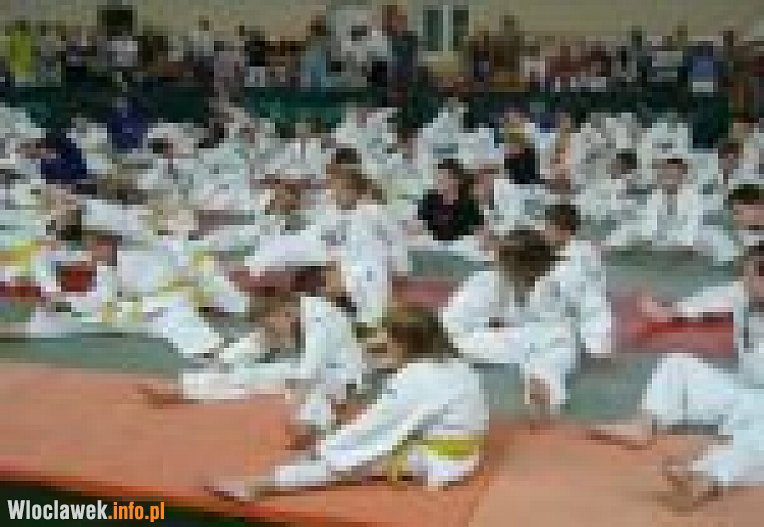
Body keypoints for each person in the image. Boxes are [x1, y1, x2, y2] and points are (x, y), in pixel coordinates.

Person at [204, 305, 488, 500]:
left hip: (438, 457)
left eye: (388, 338)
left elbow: (373, 427)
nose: (383, 343)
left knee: (352, 462)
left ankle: (261, 486)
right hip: (458, 444)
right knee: (350, 442)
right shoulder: (455, 363)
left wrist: (323, 449)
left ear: (407, 342)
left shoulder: (415, 378)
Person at [588, 244, 764, 511]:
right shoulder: (742, 293)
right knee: (678, 364)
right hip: (743, 390)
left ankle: (704, 477)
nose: (745, 281)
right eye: (745, 274)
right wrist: (667, 312)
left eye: (751, 275)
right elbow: (705, 301)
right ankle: (643, 425)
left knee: (757, 439)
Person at [441, 228, 578, 422]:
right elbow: (450, 326)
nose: (536, 276)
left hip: (515, 341)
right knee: (558, 338)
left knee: (558, 340)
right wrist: (494, 325)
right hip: (466, 342)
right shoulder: (485, 282)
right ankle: (545, 384)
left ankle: (542, 386)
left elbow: (557, 319)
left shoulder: (551, 285)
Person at [416, 158, 484, 242]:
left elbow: (475, 233)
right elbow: (419, 226)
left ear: (457, 181)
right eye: (438, 178)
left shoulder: (470, 207)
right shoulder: (428, 200)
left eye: (444, 178)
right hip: (429, 245)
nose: (439, 182)